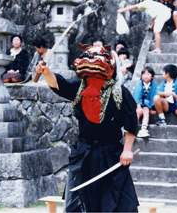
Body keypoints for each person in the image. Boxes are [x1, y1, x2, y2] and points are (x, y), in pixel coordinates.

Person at [35, 43, 139, 212]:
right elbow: (59, 86)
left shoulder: (119, 92)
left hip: (110, 153)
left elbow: (131, 123)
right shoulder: (79, 86)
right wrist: (46, 72)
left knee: (116, 202)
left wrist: (127, 150)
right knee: (77, 202)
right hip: (84, 152)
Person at [154, 64, 177, 141]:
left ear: (168, 74)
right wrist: (165, 94)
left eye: (163, 72)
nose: (162, 74)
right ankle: (162, 119)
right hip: (166, 105)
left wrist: (175, 96)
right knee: (156, 97)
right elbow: (156, 92)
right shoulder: (163, 83)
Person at [132, 66, 158, 138]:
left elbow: (154, 96)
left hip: (148, 106)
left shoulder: (154, 85)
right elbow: (136, 96)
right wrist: (138, 105)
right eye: (144, 74)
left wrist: (152, 108)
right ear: (141, 75)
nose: (146, 76)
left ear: (152, 76)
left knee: (146, 111)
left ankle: (143, 129)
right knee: (138, 112)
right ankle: (132, 129)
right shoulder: (139, 84)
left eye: (148, 74)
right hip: (138, 105)